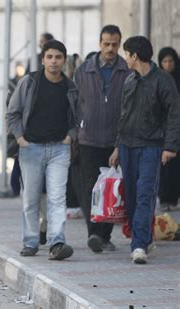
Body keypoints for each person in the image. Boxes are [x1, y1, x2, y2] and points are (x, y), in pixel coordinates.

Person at [109, 36, 180, 264]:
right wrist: (117, 148)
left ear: (135, 56)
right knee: (130, 197)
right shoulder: (130, 81)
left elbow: (174, 114)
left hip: (151, 147)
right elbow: (123, 117)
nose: (125, 59)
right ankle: (145, 238)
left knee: (145, 194)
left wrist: (170, 146)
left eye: (127, 54)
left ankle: (138, 245)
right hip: (128, 147)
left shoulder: (163, 81)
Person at [6, 40, 78, 260]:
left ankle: (57, 242)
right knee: (31, 199)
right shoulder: (29, 82)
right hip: (31, 148)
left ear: (64, 60)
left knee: (57, 198)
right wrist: (20, 138)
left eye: (58, 57)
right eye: (50, 57)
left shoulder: (70, 87)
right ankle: (30, 241)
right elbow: (12, 112)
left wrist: (70, 137)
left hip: (59, 149)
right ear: (43, 59)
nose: (54, 61)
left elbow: (78, 118)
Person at [74, 25, 131, 253]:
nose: (110, 48)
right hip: (88, 139)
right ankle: (93, 233)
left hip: (114, 140)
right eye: (106, 43)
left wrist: (120, 142)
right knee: (90, 188)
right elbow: (75, 104)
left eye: (115, 44)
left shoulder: (126, 70)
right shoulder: (84, 70)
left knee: (112, 188)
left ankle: (105, 236)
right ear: (99, 43)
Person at [157, 47, 180, 211]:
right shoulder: (158, 80)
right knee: (165, 166)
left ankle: (174, 198)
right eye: (164, 61)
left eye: (170, 61)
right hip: (163, 129)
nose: (168, 64)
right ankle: (165, 198)